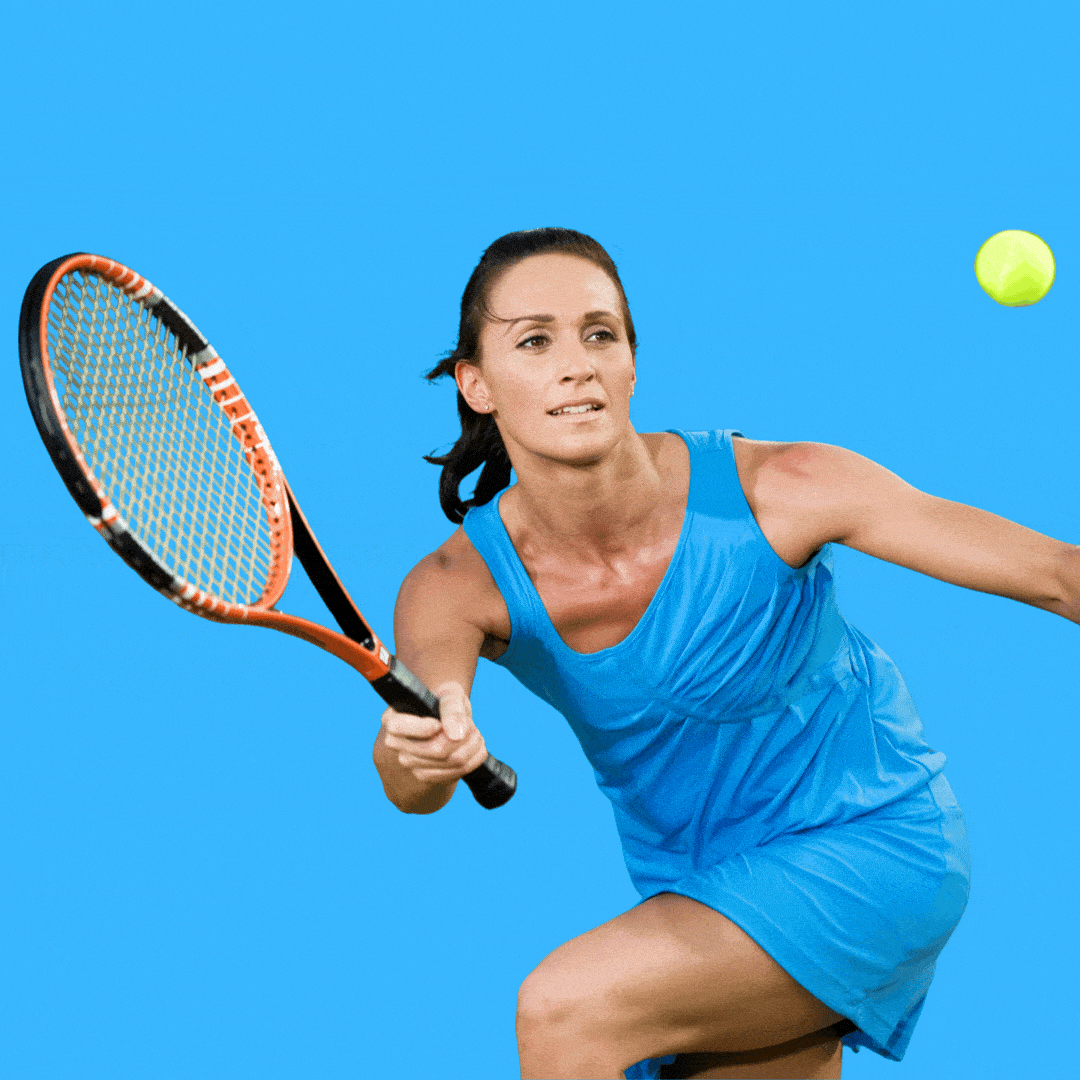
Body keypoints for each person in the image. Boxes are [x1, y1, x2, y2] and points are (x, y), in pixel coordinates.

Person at [372, 228, 1078, 1080]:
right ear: (476, 385)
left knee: (568, 1010)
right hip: (706, 890)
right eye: (534, 340)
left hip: (877, 843)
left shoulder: (781, 486)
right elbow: (417, 778)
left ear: (632, 364)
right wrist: (420, 751)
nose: (578, 363)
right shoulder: (454, 587)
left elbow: (1057, 576)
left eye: (602, 334)